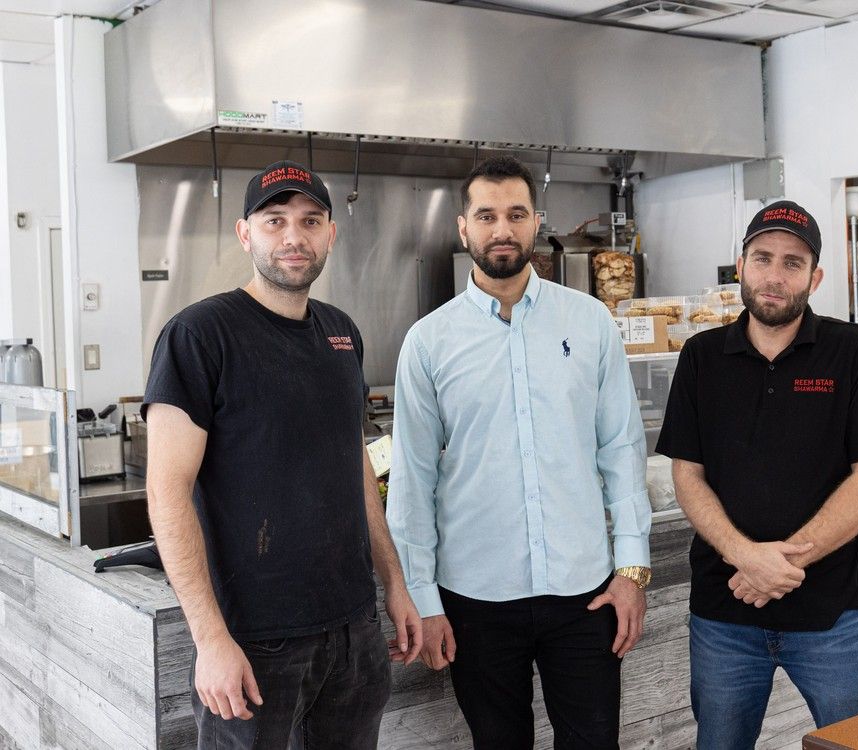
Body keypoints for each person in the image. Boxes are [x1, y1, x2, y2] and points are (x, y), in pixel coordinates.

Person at [143, 160, 422, 750]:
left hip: (352, 630)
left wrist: (393, 583)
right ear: (246, 235)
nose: (293, 237)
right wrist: (210, 639)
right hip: (254, 640)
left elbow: (355, 465)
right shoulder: (199, 335)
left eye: (309, 221)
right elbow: (167, 493)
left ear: (330, 234)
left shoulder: (340, 332)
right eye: (275, 221)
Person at [386, 155, 652, 749]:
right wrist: (423, 598)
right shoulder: (428, 342)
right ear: (464, 228)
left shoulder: (590, 323)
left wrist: (632, 569)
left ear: (537, 223)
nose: (502, 229)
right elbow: (412, 479)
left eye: (516, 214)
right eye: (487, 215)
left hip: (585, 594)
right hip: (476, 599)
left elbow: (621, 451)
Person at [656, 200, 858, 749]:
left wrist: (780, 562)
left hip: (833, 614)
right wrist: (747, 557)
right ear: (740, 265)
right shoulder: (700, 357)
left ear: (815, 277)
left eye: (793, 263)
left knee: (855, 746)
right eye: (762, 257)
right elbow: (687, 476)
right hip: (725, 615)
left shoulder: (855, 352)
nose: (774, 275)